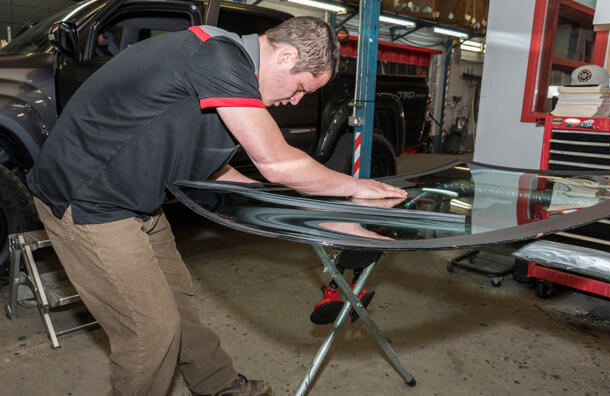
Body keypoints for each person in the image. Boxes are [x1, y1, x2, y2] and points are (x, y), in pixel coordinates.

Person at [27, 16, 406, 396]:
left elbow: (217, 170)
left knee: (179, 306)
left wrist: (320, 216)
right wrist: (354, 186)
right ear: (286, 56)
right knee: (152, 331)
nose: (296, 100)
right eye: (302, 87)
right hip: (89, 202)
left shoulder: (225, 68)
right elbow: (275, 163)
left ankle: (218, 386)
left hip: (136, 199)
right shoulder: (220, 57)